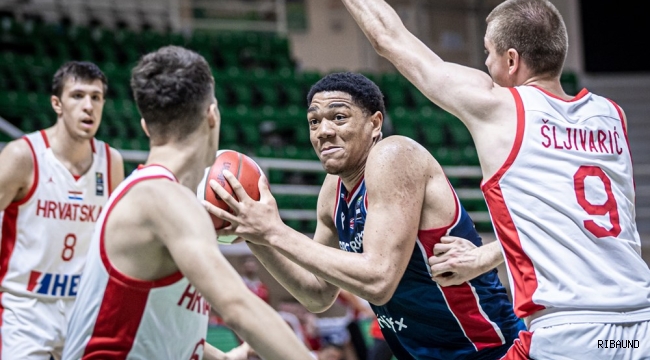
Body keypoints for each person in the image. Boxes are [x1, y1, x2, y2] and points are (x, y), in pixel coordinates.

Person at [340, 0, 650, 358]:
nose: (485, 63)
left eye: (488, 52)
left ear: (512, 60)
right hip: (638, 329)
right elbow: (570, 220)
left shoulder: (499, 108)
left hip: (572, 334)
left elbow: (388, 37)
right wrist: (486, 256)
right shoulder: (612, 116)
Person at [204, 72, 525, 359]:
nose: (323, 131)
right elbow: (317, 294)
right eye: (314, 121)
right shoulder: (332, 191)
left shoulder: (394, 155)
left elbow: (379, 279)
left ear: (374, 123)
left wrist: (275, 231)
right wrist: (254, 233)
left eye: (339, 117)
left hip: (489, 351)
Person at [62, 46, 312, 360]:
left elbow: (152, 317)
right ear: (212, 115)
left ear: (145, 126)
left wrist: (222, 358)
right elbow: (237, 308)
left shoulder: (150, 194)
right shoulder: (164, 198)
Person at [0, 61, 124, 359]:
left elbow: (114, 241)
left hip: (83, 306)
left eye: (96, 97)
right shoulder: (22, 155)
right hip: (24, 306)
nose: (88, 106)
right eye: (78, 96)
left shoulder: (111, 162)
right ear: (57, 103)